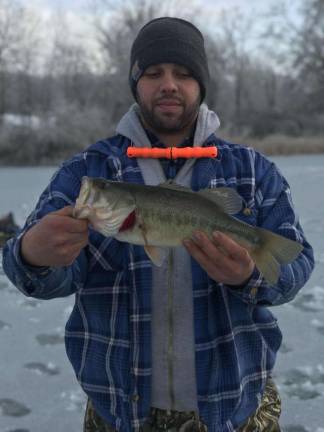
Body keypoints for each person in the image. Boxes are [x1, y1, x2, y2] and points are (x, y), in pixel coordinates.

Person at [2, 17, 314, 432]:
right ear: (136, 83)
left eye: (183, 74)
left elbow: (295, 265)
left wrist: (249, 274)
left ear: (201, 85)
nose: (169, 84)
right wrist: (31, 255)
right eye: (153, 73)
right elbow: (42, 275)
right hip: (118, 415)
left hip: (236, 410)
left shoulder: (253, 171)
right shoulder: (89, 171)